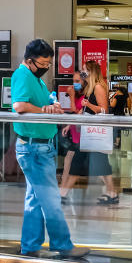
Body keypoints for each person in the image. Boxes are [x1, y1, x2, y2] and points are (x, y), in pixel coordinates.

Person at [11, 39, 88, 259]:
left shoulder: (35, 78)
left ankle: (31, 246)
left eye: (48, 63)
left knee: (35, 199)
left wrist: (50, 107)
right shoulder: (23, 75)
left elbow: (38, 105)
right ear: (29, 60)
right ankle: (62, 244)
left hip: (40, 146)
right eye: (43, 63)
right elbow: (19, 105)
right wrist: (42, 109)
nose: (46, 67)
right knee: (51, 200)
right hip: (34, 148)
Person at [80, 60, 120, 206]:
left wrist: (88, 105)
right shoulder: (92, 87)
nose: (82, 72)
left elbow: (104, 110)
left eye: (84, 70)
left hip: (97, 132)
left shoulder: (98, 87)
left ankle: (112, 192)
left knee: (101, 162)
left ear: (91, 71)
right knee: (99, 163)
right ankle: (111, 192)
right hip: (93, 132)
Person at [59, 70, 87, 203]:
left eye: (77, 81)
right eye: (73, 81)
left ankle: (62, 193)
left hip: (83, 137)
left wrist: (70, 97)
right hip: (76, 135)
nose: (74, 84)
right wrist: (68, 126)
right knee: (68, 162)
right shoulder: (77, 96)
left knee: (71, 164)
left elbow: (76, 112)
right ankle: (62, 191)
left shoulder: (85, 97)